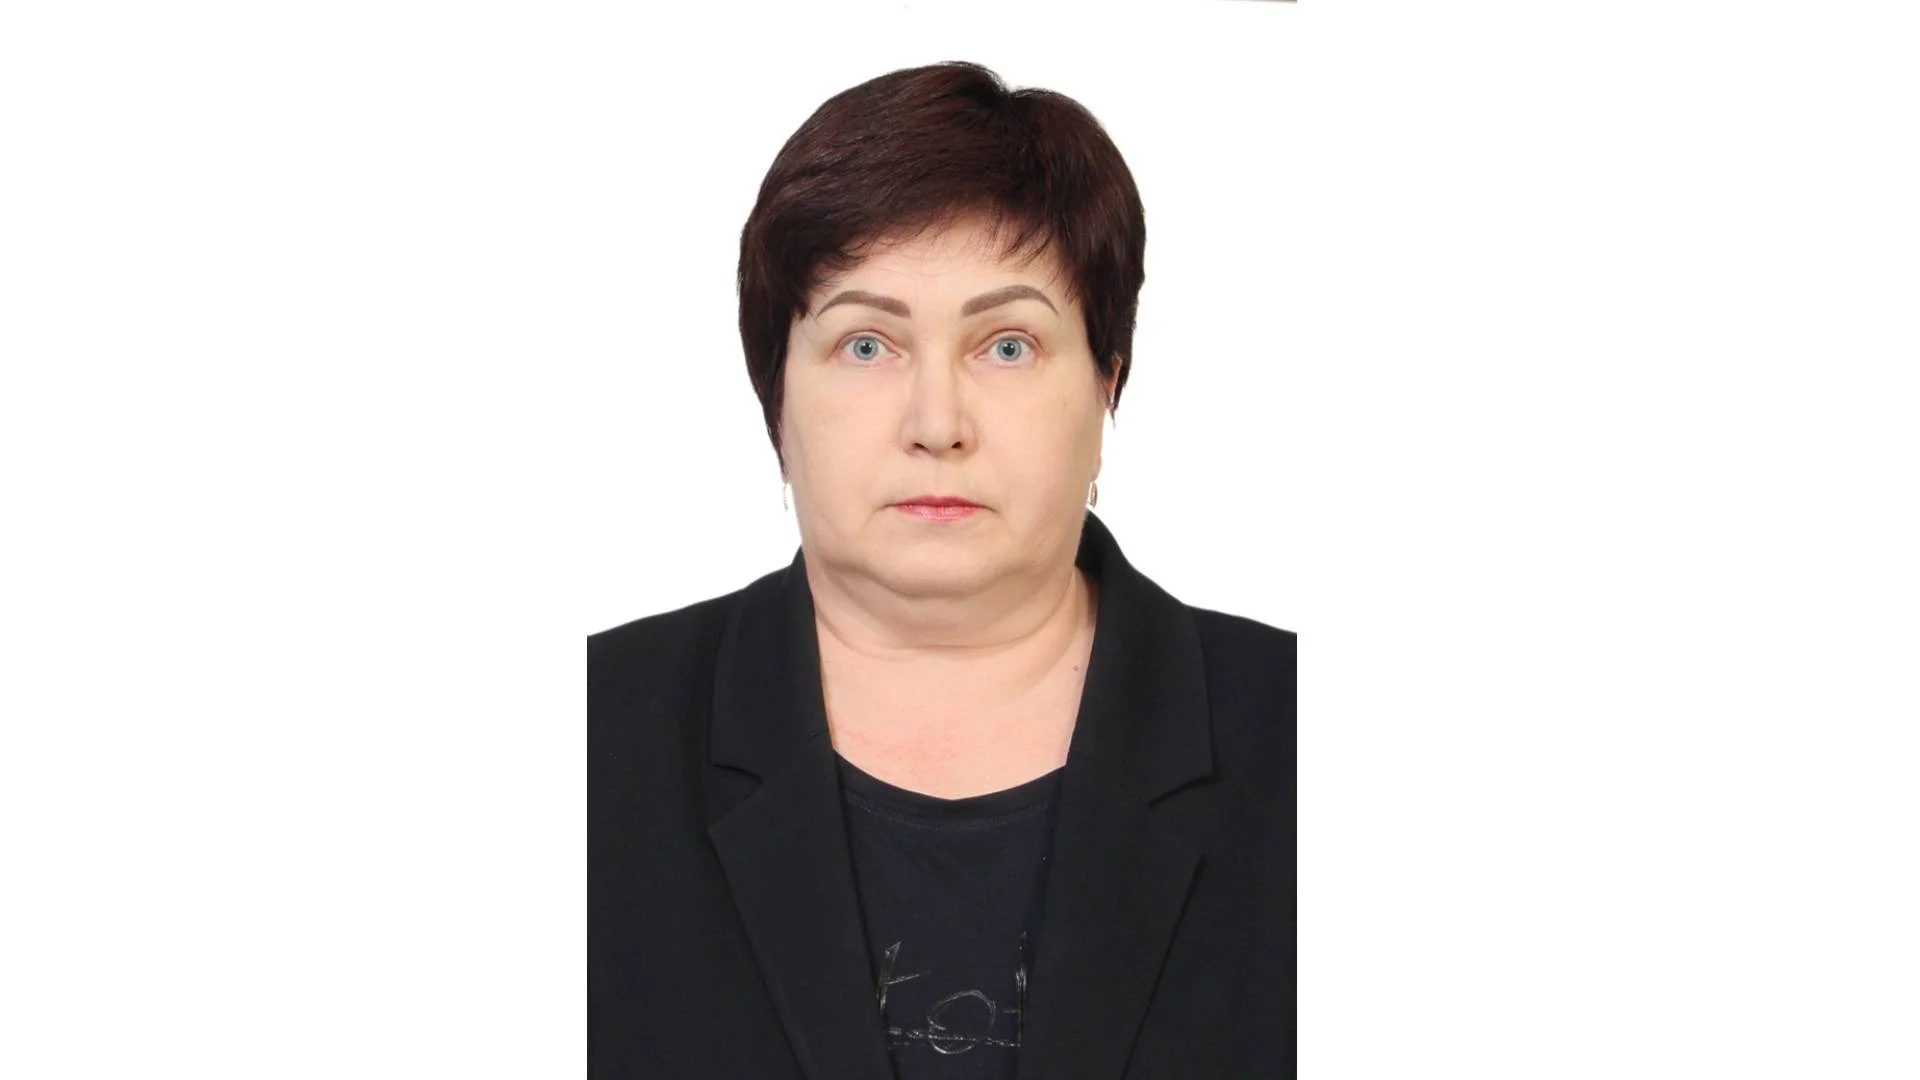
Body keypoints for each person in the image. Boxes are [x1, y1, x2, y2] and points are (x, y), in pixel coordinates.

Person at [589, 61, 1295, 1079]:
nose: (936, 424)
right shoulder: (589, 733)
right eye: (866, 345)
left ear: (1107, 383)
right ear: (774, 397)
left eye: (1006, 346)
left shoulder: (1306, 733)